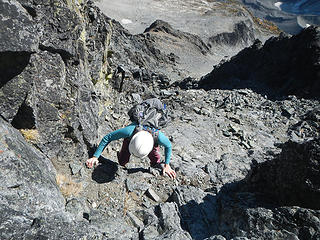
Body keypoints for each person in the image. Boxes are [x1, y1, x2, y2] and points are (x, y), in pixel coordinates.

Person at [86, 123, 176, 179]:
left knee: (155, 159)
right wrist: (95, 156)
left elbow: (168, 146)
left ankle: (155, 164)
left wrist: (167, 165)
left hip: (150, 141)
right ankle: (121, 160)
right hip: (131, 139)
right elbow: (108, 137)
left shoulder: (158, 137)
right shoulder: (129, 131)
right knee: (122, 161)